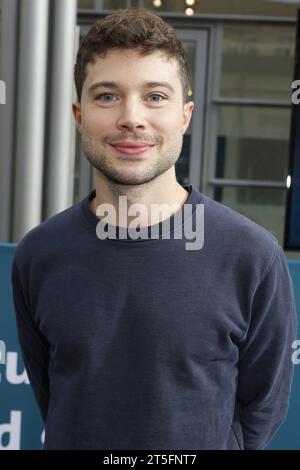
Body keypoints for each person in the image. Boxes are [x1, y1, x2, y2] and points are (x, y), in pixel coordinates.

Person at [12, 8, 297, 450]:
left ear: (185, 115)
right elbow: (52, 396)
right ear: (78, 114)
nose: (131, 118)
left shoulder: (251, 255)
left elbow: (262, 408)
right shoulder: (38, 255)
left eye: (155, 96)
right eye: (107, 96)